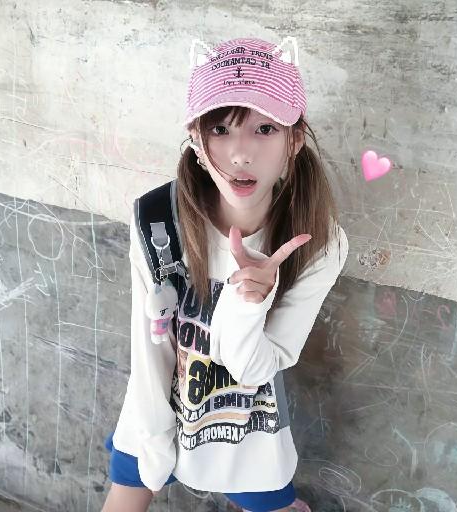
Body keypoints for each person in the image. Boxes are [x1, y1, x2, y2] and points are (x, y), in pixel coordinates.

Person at [101, 36, 349, 512]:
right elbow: (149, 346)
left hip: (247, 423)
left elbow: (255, 368)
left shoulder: (317, 241)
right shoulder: (157, 219)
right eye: (220, 128)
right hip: (158, 403)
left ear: (294, 140)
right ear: (196, 140)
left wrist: (247, 303)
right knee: (127, 489)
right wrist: (154, 436)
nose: (240, 153)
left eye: (264, 128)